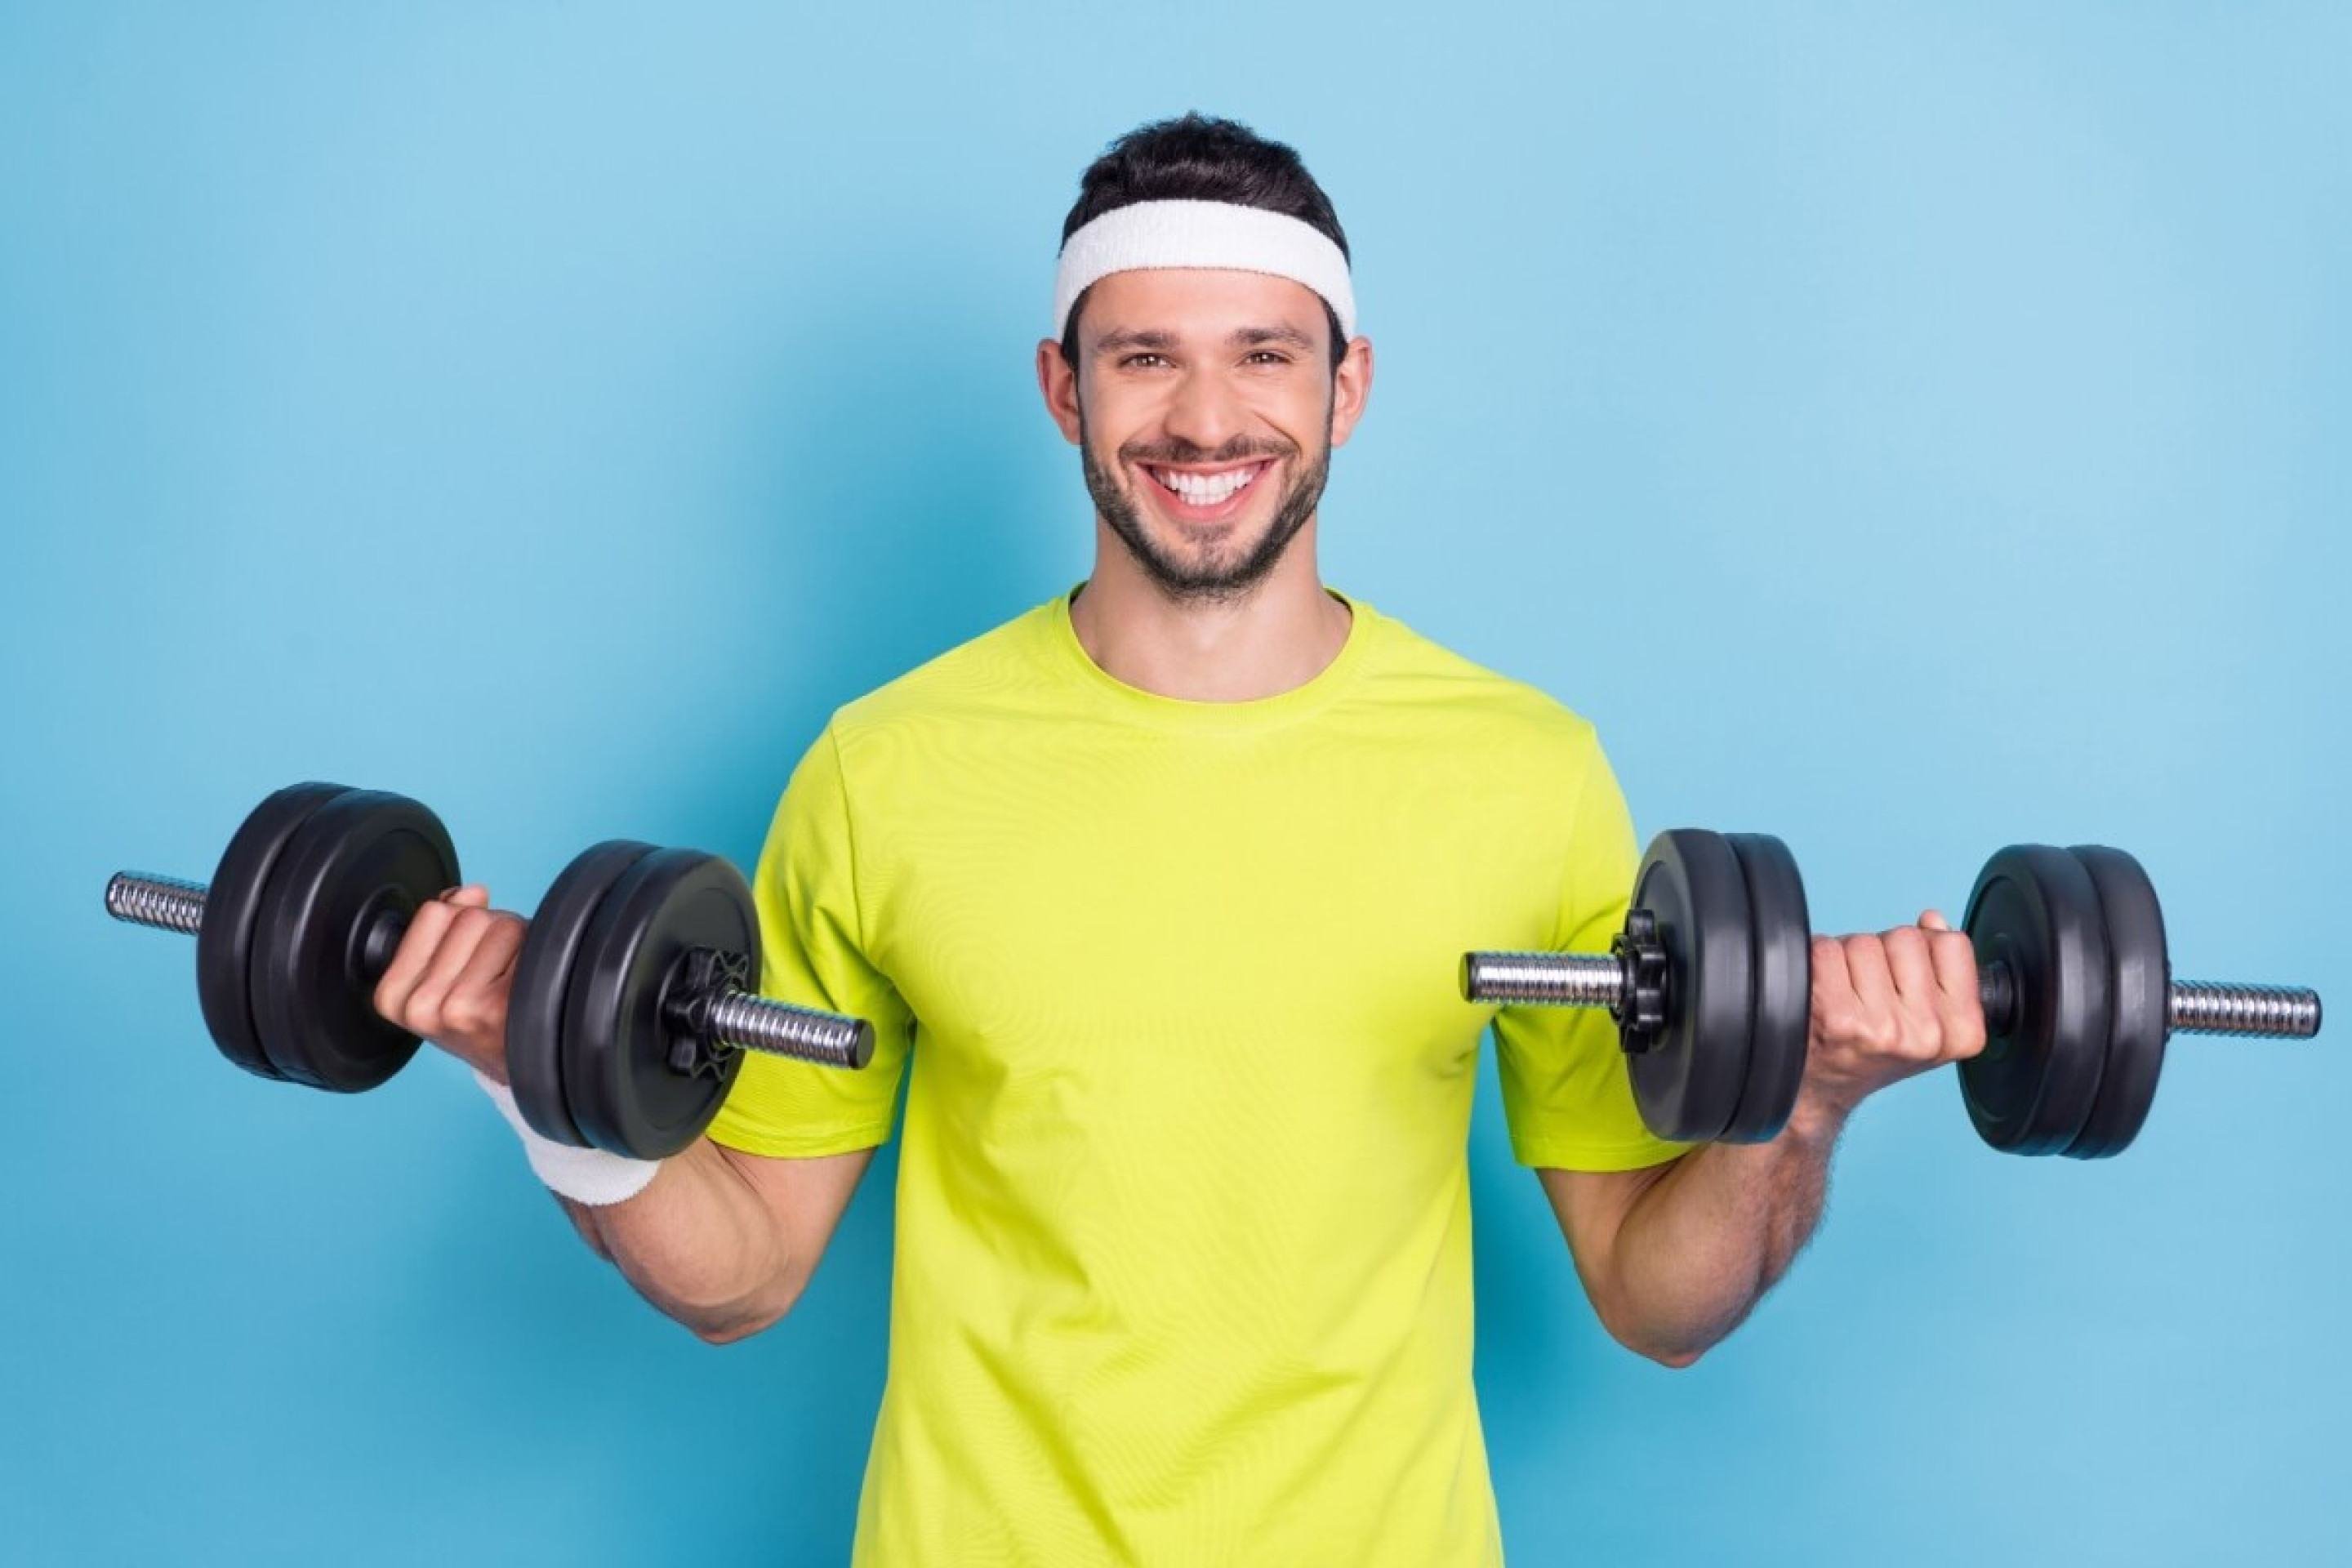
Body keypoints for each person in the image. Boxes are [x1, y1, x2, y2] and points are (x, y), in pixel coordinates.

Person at [372, 112, 1989, 1567]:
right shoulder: (887, 768)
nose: (1206, 418)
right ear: (1062, 386)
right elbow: (743, 1279)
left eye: (1265, 356)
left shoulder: (1524, 772)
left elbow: (1659, 1302)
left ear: (1347, 383)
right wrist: (542, 1080)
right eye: (1144, 357)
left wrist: (1806, 1102)